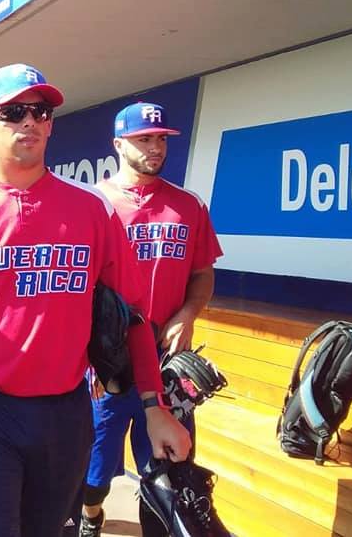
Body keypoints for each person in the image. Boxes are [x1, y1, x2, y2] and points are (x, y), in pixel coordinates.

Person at [0, 64, 191, 537]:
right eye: (12, 112)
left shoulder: (92, 208)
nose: (29, 121)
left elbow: (132, 317)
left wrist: (154, 406)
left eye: (41, 111)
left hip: (65, 410)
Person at [80, 102, 223, 537]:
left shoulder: (188, 205)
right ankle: (90, 518)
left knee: (167, 472)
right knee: (94, 474)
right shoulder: (92, 203)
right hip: (107, 365)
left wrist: (189, 312)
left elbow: (202, 273)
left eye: (161, 138)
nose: (156, 147)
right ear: (119, 144)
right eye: (145, 139)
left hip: (165, 364)